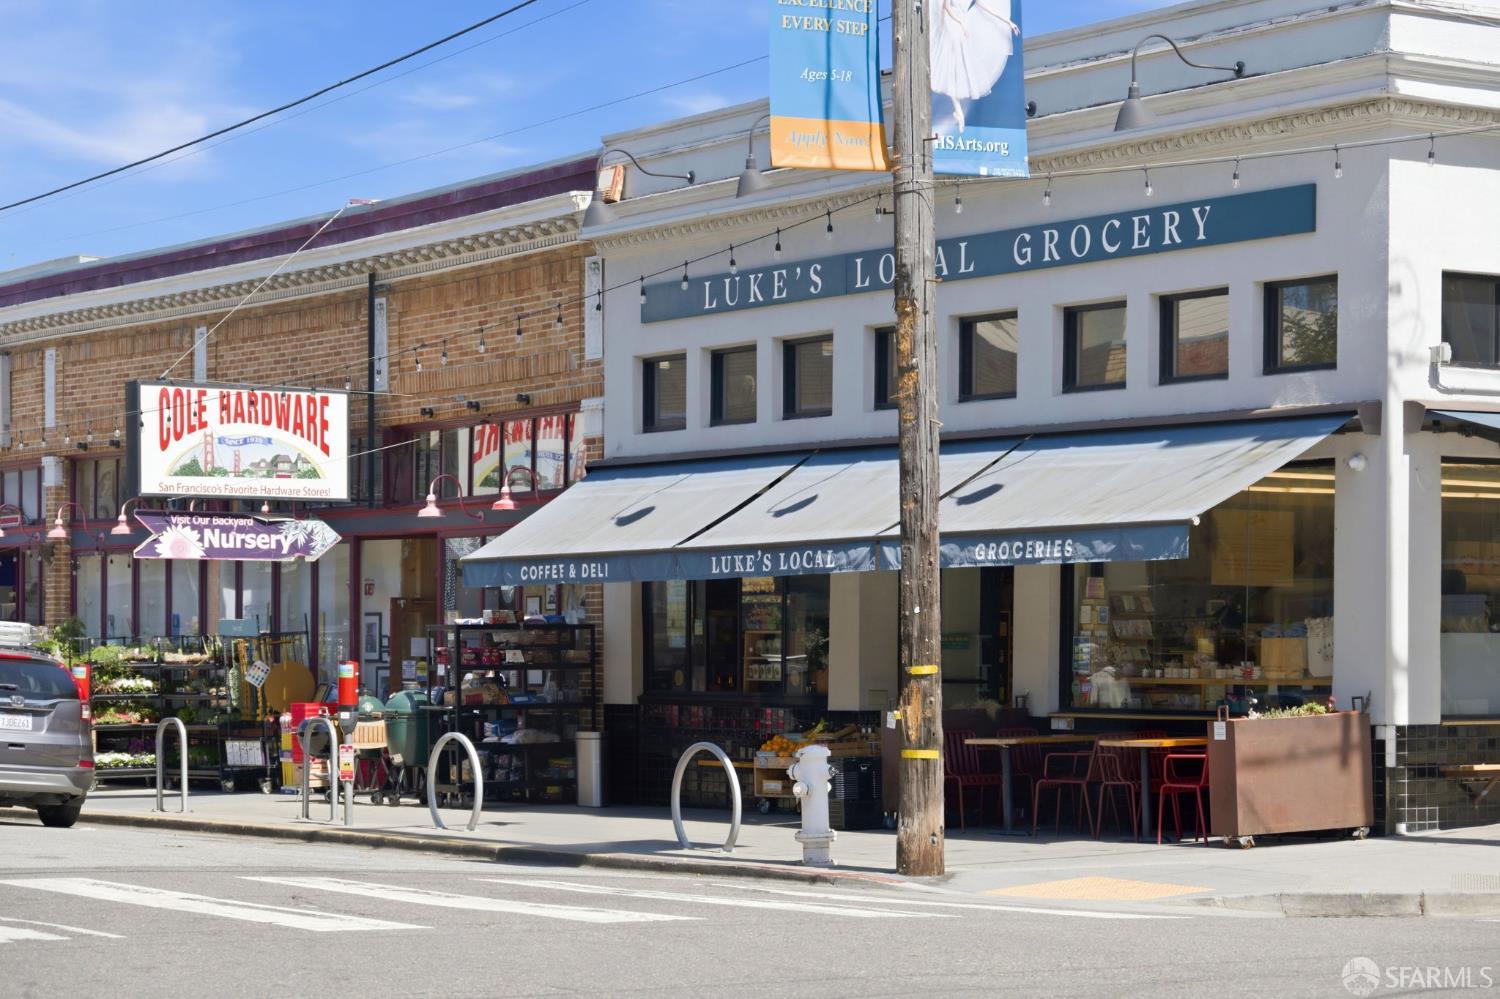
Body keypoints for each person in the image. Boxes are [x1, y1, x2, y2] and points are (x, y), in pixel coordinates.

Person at [929, 0, 1021, 132]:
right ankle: (958, 110)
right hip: (951, 23)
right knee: (953, 64)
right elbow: (946, 7)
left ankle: (958, 111)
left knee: (958, 67)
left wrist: (1008, 21)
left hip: (963, 26)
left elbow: (986, 8)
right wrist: (960, 22)